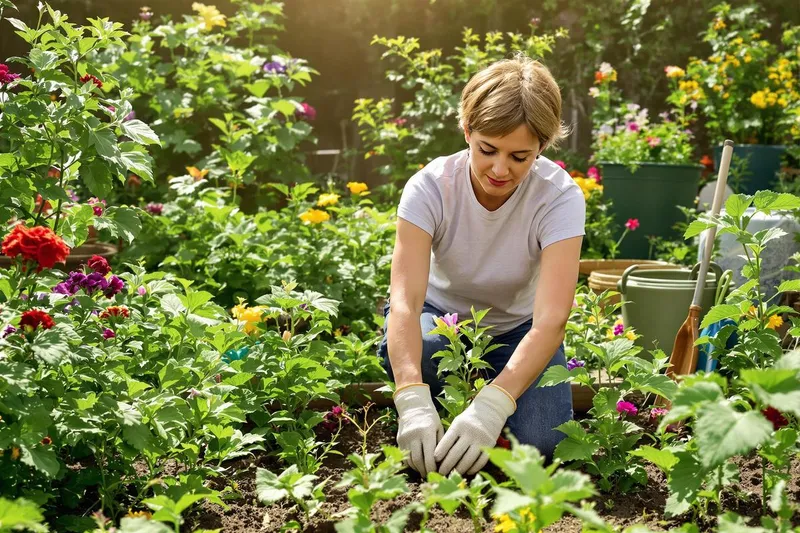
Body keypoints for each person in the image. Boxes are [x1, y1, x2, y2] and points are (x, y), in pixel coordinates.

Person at [377, 53, 586, 477]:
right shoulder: (431, 188)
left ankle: (488, 407)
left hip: (520, 329)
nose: (499, 168)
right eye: (487, 149)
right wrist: (411, 399)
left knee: (544, 440)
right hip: (440, 324)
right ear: (467, 129)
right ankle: (440, 417)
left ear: (542, 147)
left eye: (520, 157)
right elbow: (404, 303)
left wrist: (493, 407)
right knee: (432, 352)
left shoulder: (559, 197)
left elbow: (550, 322)